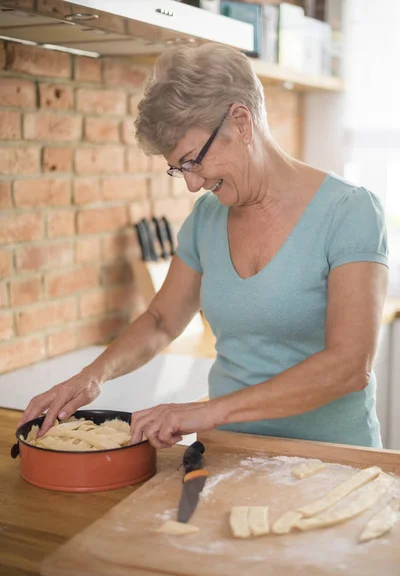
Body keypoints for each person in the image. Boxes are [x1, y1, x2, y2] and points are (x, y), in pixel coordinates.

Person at [19, 43, 388, 449]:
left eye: (193, 160)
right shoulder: (207, 219)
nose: (192, 183)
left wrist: (209, 411)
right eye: (179, 169)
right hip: (229, 453)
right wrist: (93, 375)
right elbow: (162, 320)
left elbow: (350, 365)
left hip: (334, 462)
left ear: (241, 122)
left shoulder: (349, 210)